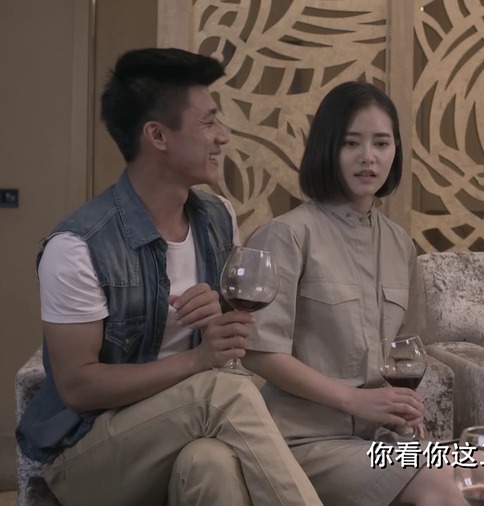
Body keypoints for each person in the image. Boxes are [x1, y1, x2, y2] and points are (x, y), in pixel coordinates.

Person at [16, 48, 321, 506]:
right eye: (208, 122)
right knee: (222, 390)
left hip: (185, 429)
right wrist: (198, 361)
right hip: (88, 454)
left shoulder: (217, 217)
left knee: (211, 464)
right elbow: (79, 387)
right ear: (157, 135)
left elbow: (229, 333)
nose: (223, 135)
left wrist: (219, 313)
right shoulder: (77, 246)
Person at [241, 81, 465, 505]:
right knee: (438, 482)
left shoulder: (399, 244)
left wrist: (402, 407)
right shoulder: (287, 235)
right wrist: (354, 400)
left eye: (381, 143)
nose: (368, 157)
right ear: (328, 148)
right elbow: (259, 352)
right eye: (351, 143)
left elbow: (406, 350)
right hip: (306, 443)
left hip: (378, 441)